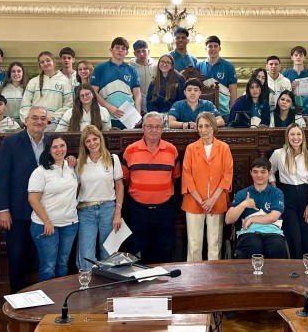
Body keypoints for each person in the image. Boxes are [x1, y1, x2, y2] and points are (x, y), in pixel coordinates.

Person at [0, 106, 50, 293]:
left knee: (40, 256)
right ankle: (16, 296)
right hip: (17, 210)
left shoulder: (52, 143)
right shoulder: (11, 142)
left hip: (45, 211)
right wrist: (3, 210)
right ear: (26, 120)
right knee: (17, 255)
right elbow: (1, 177)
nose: (39, 121)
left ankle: (39, 296)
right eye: (34, 118)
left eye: (43, 118)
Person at [122, 112, 181, 264]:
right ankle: (140, 286)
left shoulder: (172, 150)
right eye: (150, 126)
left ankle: (162, 285)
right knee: (138, 249)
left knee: (164, 249)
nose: (153, 130)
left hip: (164, 209)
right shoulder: (130, 150)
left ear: (162, 129)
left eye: (157, 127)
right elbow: (126, 178)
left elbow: (175, 177)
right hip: (137, 210)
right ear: (143, 128)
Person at [182, 112, 233, 260]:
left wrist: (212, 200)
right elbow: (187, 177)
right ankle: (194, 279)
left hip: (216, 202)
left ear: (214, 127)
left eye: (207, 126)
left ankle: (214, 279)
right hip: (194, 202)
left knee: (215, 243)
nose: (203, 130)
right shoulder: (191, 149)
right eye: (200, 126)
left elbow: (227, 175)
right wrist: (201, 201)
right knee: (194, 244)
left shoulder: (223, 148)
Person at [28, 134, 79, 282]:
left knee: (63, 264)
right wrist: (47, 222)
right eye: (55, 147)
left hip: (70, 224)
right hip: (46, 226)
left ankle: (59, 300)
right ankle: (46, 303)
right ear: (48, 150)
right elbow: (33, 199)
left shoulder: (71, 167)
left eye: (62, 146)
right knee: (48, 267)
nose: (59, 150)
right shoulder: (40, 172)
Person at [75, 125, 124, 270]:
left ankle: (108, 287)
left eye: (95, 139)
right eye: (88, 141)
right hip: (86, 211)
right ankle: (87, 286)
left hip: (108, 209)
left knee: (109, 252)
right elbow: (74, 188)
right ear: (84, 144)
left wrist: (117, 212)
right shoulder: (79, 163)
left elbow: (120, 186)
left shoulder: (112, 159)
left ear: (100, 139)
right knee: (86, 254)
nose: (92, 143)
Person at [269, 124, 308, 258]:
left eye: (298, 134)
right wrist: (274, 189)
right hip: (287, 196)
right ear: (287, 137)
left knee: (307, 237)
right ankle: (295, 269)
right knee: (293, 236)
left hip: (305, 196)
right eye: (292, 134)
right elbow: (270, 171)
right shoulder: (279, 154)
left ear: (303, 137)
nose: (295, 137)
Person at [225, 158, 288, 259]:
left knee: (276, 248)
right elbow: (228, 220)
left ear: (270, 173)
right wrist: (244, 204)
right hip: (248, 233)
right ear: (251, 173)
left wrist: (251, 219)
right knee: (254, 248)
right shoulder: (243, 193)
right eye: (255, 172)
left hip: (273, 232)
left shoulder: (277, 193)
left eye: (263, 172)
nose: (259, 175)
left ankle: (273, 275)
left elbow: (273, 217)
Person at [92, 37, 143, 129]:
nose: (120, 50)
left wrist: (138, 112)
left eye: (123, 49)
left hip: (129, 116)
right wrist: (109, 107)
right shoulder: (100, 68)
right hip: (107, 114)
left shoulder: (132, 70)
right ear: (111, 50)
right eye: (117, 47)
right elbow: (93, 92)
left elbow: (137, 94)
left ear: (126, 52)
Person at [20, 51, 73, 131]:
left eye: (48, 60)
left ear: (53, 62)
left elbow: (69, 105)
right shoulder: (33, 82)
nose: (45, 63)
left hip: (54, 124)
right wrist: (28, 120)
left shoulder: (65, 81)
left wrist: (53, 117)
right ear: (40, 65)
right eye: (42, 62)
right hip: (34, 124)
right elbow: (25, 104)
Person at [197, 35, 238, 117]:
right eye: (210, 46)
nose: (213, 49)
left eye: (215, 46)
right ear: (206, 49)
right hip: (203, 111)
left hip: (223, 111)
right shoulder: (198, 66)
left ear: (220, 48)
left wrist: (231, 111)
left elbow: (233, 91)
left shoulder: (228, 66)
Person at [0, 61, 26, 126]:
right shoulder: (1, 91)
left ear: (23, 73)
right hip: (6, 126)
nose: (16, 73)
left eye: (19, 71)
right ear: (9, 73)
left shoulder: (28, 90)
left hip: (25, 125)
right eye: (13, 71)